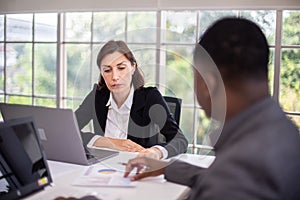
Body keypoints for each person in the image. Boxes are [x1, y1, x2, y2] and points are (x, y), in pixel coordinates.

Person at [124, 17, 300, 199]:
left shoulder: (237, 174)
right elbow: (222, 176)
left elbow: (230, 180)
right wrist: (166, 167)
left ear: (209, 83)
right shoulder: (283, 131)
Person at [75, 40, 188, 159]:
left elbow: (180, 140)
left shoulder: (150, 97)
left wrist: (156, 152)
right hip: (101, 168)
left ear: (133, 67)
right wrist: (107, 142)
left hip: (136, 169)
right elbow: (68, 130)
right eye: (107, 70)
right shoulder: (97, 96)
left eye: (121, 68)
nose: (115, 77)